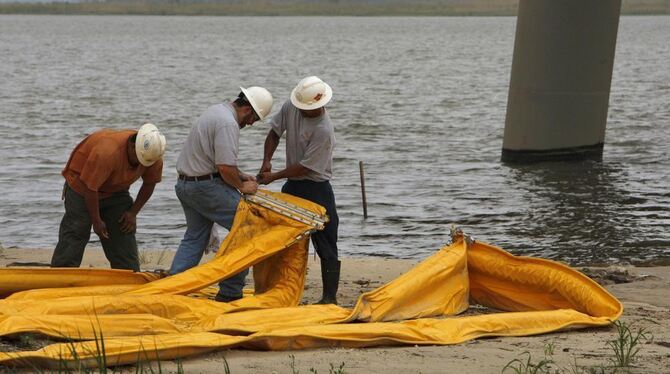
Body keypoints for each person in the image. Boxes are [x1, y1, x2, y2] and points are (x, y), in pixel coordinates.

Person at [170, 86, 273, 303]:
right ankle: (230, 292)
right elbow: (225, 168)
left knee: (195, 236)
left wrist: (241, 176)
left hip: (186, 185)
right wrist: (243, 187)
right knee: (248, 227)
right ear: (248, 109)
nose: (251, 123)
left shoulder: (217, 111)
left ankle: (173, 287)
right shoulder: (228, 123)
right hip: (204, 188)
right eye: (254, 118)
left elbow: (216, 162)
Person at [257, 76, 340, 305]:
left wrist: (273, 177)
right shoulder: (290, 106)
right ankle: (281, 289)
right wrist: (266, 161)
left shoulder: (324, 129)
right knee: (286, 239)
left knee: (326, 241)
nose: (304, 111)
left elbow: (304, 166)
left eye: (309, 109)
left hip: (317, 188)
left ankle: (329, 297)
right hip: (292, 186)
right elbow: (274, 133)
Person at [51, 123, 166, 271]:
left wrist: (132, 213)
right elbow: (90, 189)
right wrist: (96, 221)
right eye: (138, 159)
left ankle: (128, 273)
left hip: (115, 191)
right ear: (132, 146)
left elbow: (150, 183)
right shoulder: (107, 153)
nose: (141, 164)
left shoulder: (152, 155)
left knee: (123, 228)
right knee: (77, 230)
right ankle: (62, 273)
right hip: (81, 187)